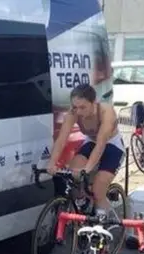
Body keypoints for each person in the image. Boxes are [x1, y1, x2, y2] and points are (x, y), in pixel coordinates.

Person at [47, 83, 125, 220]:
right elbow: (61, 139)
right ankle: (83, 202)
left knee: (98, 190)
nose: (78, 111)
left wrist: (87, 169)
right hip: (90, 141)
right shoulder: (73, 113)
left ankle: (108, 221)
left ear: (94, 102)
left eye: (83, 107)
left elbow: (101, 145)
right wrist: (52, 163)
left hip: (111, 144)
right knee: (72, 175)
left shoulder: (106, 112)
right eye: (75, 107)